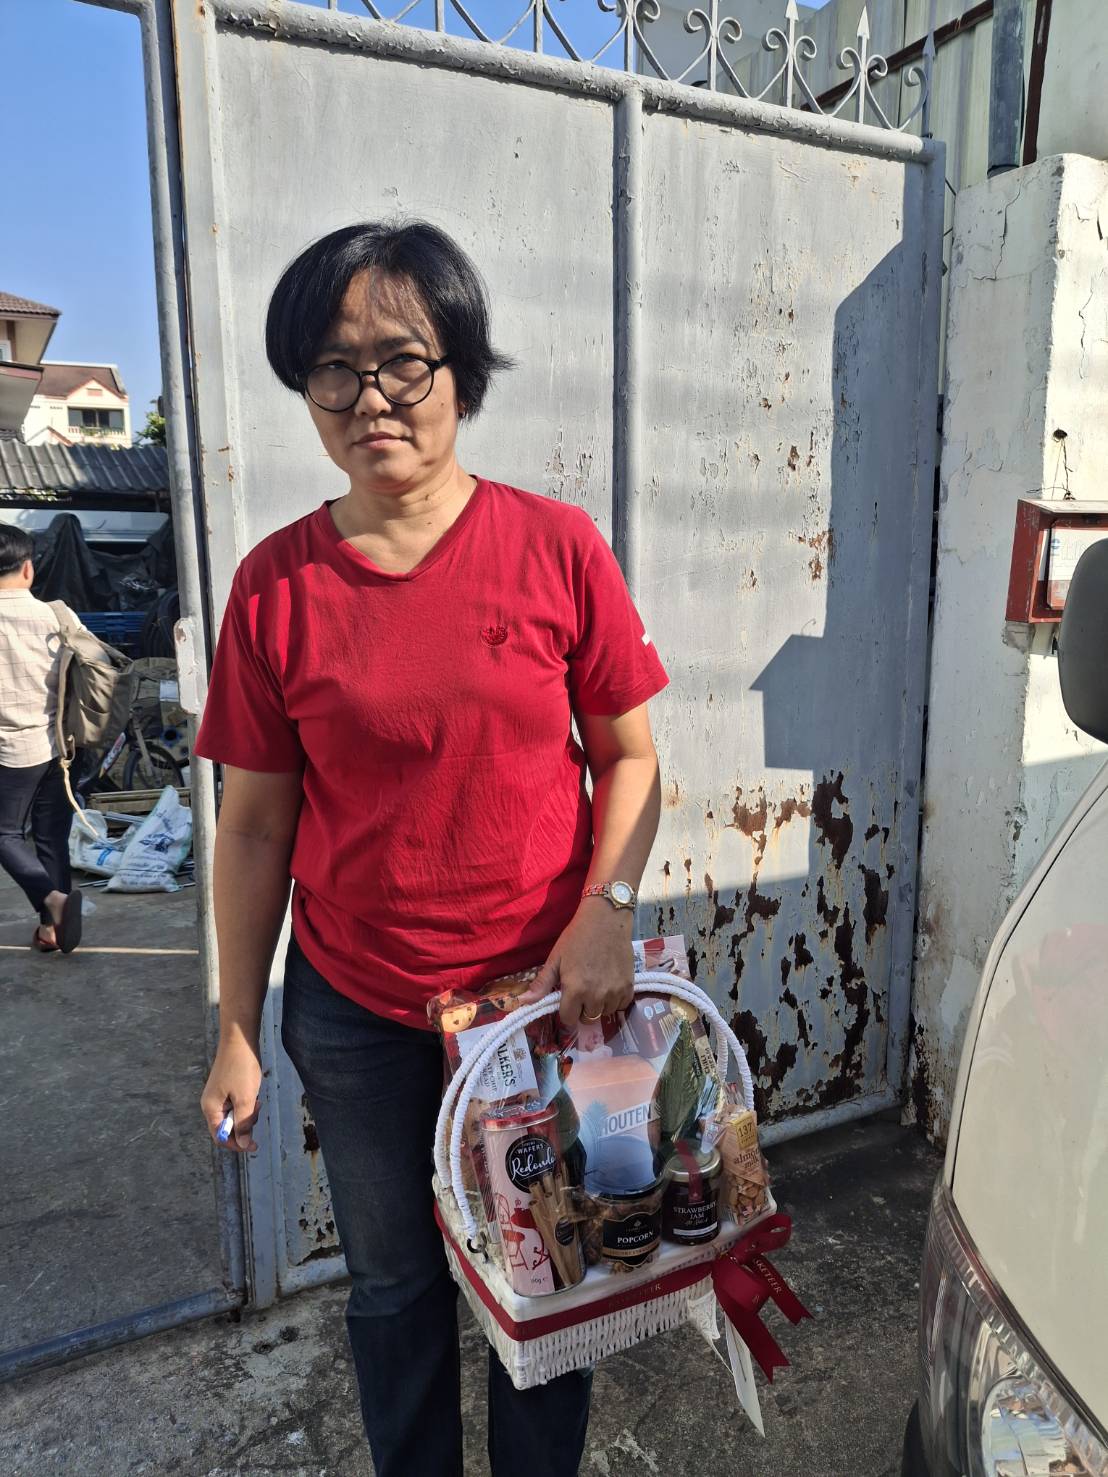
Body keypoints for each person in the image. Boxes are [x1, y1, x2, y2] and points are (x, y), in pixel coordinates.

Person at [197, 221, 668, 1477]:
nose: (369, 399)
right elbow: (252, 827)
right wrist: (239, 1023)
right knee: (397, 1290)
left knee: (547, 1276)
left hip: (536, 1004)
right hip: (358, 1016)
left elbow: (630, 756)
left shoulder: (555, 547)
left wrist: (606, 908)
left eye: (402, 361)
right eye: (331, 370)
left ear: (461, 368)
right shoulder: (273, 587)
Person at [0, 523, 83, 954]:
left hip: (11, 751)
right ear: (28, 570)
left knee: (5, 835)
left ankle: (54, 902)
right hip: (61, 743)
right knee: (51, 837)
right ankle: (51, 930)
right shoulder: (57, 614)